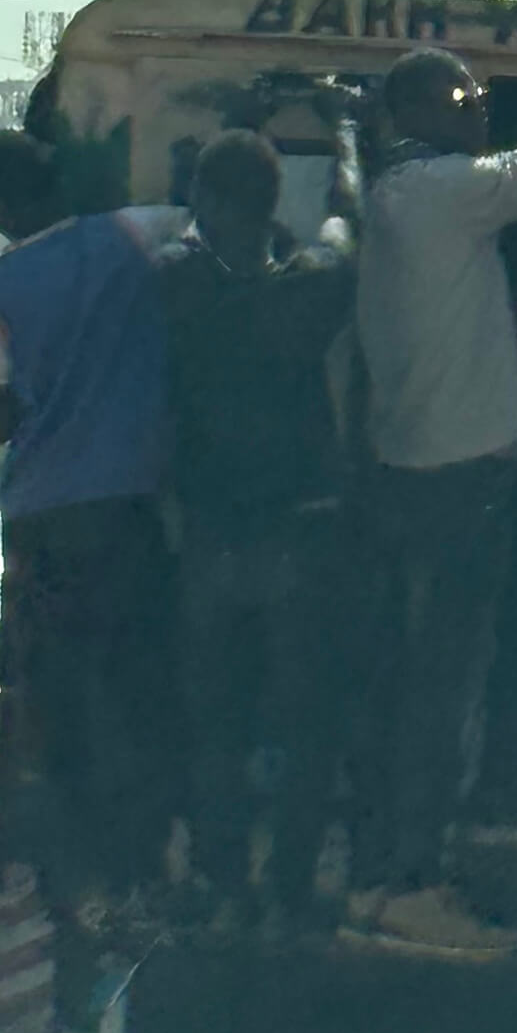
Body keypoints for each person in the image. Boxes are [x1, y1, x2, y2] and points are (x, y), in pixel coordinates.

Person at [348, 24, 517, 955]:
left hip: (407, 470)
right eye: (461, 99)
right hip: (461, 479)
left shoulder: (388, 194)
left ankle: (384, 870)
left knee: (411, 678)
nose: (479, 108)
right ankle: (412, 885)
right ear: (413, 112)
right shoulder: (443, 193)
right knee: (446, 686)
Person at [0, 128, 185, 911]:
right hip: (131, 507)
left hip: (42, 521)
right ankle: (141, 866)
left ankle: (70, 873)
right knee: (136, 686)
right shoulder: (132, 231)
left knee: (57, 701)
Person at [157, 119, 359, 932]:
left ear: (203, 198)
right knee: (306, 725)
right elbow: (347, 228)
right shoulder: (308, 287)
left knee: (216, 727)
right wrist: (346, 142)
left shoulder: (175, 281)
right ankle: (290, 889)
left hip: (208, 533)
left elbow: (183, 242)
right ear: (276, 205)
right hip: (297, 535)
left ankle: (223, 884)